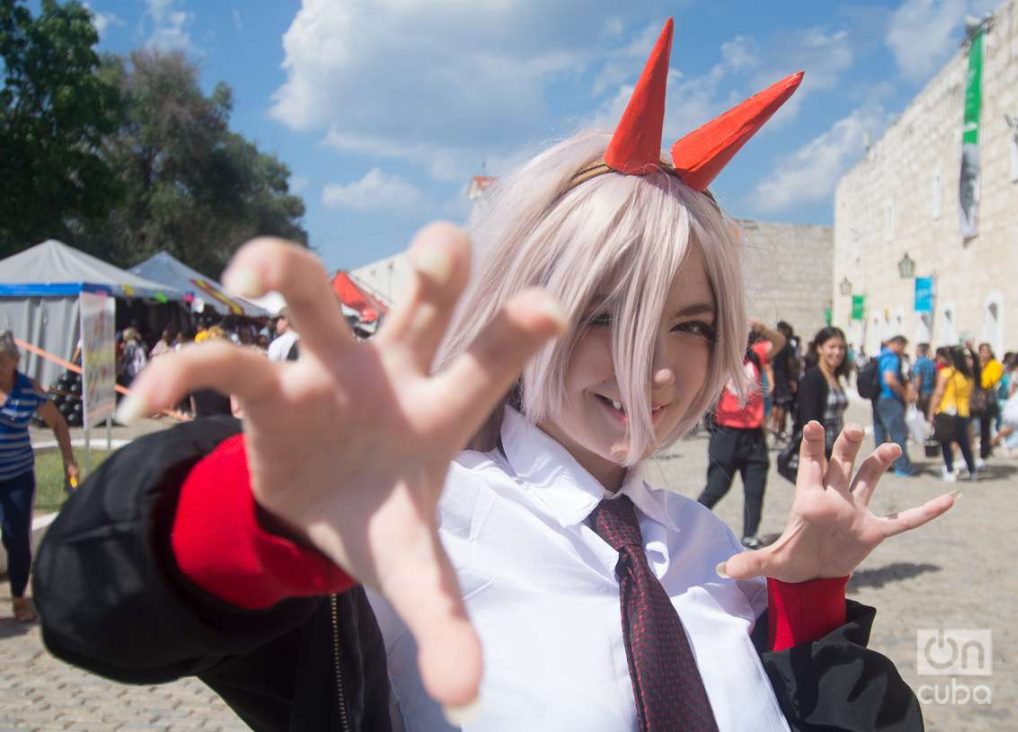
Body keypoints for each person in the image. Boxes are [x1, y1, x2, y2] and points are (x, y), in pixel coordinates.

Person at [34, 20, 955, 731]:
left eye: (691, 324)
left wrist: (810, 603)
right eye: (602, 313)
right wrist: (265, 514)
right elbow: (96, 613)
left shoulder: (712, 549)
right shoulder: (407, 540)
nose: (652, 364)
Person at [0, 332, 79, 622]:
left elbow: (58, 423)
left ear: (16, 361)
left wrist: (68, 462)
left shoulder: (28, 389)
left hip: (17, 475)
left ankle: (20, 598)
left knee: (16, 537)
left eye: (2, 362)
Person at [696, 322, 784, 548]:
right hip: (726, 432)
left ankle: (750, 536)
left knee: (755, 489)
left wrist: (762, 327)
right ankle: (691, 525)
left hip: (754, 435)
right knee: (716, 487)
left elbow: (779, 342)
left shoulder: (755, 355)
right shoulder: (719, 358)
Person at [795, 327, 851, 459]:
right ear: (820, 348)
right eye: (832, 347)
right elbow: (809, 419)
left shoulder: (834, 376)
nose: (837, 352)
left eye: (841, 348)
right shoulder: (813, 378)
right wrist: (821, 459)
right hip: (818, 451)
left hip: (834, 447)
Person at [928, 347, 977, 482]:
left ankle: (949, 470)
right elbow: (970, 396)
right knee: (964, 443)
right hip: (963, 412)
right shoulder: (968, 376)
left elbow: (938, 393)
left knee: (946, 442)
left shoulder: (946, 373)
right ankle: (972, 470)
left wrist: (931, 412)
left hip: (946, 411)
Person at [872, 335, 916, 477]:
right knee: (898, 433)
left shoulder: (881, 356)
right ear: (899, 344)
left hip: (879, 398)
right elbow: (890, 379)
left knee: (880, 432)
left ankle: (881, 463)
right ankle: (902, 466)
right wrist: (904, 393)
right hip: (890, 398)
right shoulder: (892, 358)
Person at [768, 321, 799, 442]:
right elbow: (791, 364)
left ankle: (774, 426)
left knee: (775, 403)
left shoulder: (773, 344)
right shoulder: (787, 345)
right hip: (783, 377)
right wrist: (793, 379)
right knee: (782, 404)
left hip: (772, 375)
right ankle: (778, 429)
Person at [975, 342, 1002, 465]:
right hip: (973, 400)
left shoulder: (995, 365)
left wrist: (981, 369)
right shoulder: (976, 365)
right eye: (982, 351)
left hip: (987, 401)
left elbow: (988, 382)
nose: (984, 354)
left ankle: (983, 454)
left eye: (987, 351)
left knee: (985, 428)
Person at [911, 343, 936, 416]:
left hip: (922, 392)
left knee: (919, 416)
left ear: (919, 350)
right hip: (931, 392)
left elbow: (918, 378)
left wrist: (915, 392)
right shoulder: (931, 363)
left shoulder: (918, 363)